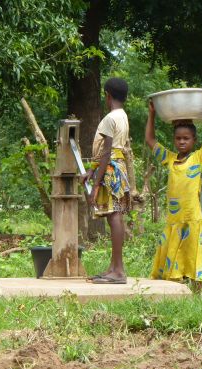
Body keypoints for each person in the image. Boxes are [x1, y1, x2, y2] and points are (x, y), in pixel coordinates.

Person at [145, 88, 202, 287]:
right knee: (172, 254)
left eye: (186, 138)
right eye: (178, 138)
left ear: (194, 141)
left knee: (192, 255)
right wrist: (152, 114)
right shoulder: (169, 159)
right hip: (174, 220)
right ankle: (174, 287)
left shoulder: (198, 157)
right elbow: (150, 140)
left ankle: (195, 290)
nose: (181, 142)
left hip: (192, 219)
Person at [83, 78, 131, 284]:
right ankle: (113, 268)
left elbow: (106, 151)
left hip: (110, 170)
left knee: (114, 216)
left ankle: (118, 270)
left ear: (108, 95)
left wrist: (95, 183)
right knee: (115, 214)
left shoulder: (109, 118)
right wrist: (91, 170)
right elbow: (109, 151)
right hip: (117, 167)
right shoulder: (123, 116)